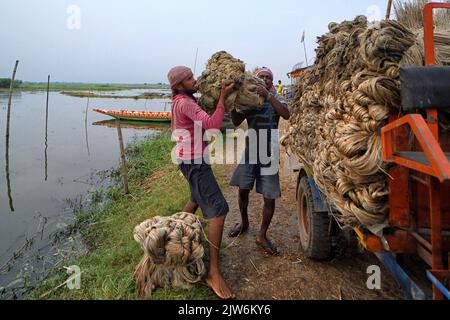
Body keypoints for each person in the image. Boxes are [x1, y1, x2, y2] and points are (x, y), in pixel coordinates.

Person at [168, 66, 235, 299]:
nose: (195, 80)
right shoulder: (185, 103)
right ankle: (213, 273)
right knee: (218, 210)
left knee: (195, 199)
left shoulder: (180, 100)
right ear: (178, 85)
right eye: (190, 79)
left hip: (188, 160)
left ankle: (169, 239)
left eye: (193, 76)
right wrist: (223, 99)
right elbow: (213, 125)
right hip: (195, 162)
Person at [229, 67, 290, 256]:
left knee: (269, 196)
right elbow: (236, 121)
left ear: (272, 81)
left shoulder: (275, 97)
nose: (265, 79)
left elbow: (286, 114)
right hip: (250, 151)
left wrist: (269, 96)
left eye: (268, 77)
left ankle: (262, 235)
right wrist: (232, 103)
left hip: (269, 153)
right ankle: (245, 222)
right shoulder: (251, 99)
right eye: (261, 76)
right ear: (255, 80)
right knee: (243, 189)